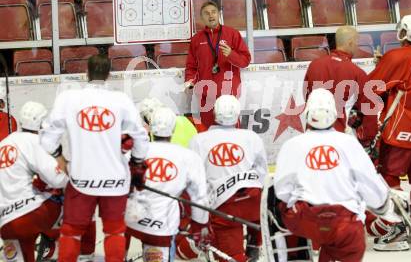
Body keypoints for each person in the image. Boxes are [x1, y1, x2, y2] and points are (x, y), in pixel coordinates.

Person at [40, 54, 149, 262]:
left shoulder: (69, 99)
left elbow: (47, 137)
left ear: (86, 73)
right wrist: (137, 162)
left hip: (81, 178)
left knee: (71, 230)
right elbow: (141, 136)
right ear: (109, 75)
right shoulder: (121, 100)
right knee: (115, 231)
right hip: (115, 179)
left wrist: (59, 157)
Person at [274, 88, 399, 262]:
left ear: (308, 113)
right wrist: (382, 205)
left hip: (305, 219)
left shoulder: (292, 145)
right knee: (344, 241)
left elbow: (281, 191)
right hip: (345, 224)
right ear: (334, 114)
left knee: (281, 210)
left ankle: (293, 252)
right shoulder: (349, 143)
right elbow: (369, 184)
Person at [365, 14, 411, 250]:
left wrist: (381, 66)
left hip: (399, 131)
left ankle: (398, 226)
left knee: (389, 177)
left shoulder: (396, 56)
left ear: (403, 32)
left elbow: (372, 86)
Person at [178, 95, 267, 261]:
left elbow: (192, 181)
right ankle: (255, 242)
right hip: (253, 202)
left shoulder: (198, 140)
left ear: (214, 114)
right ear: (238, 115)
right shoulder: (252, 137)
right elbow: (262, 174)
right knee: (256, 200)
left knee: (230, 256)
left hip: (224, 208)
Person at [125, 107, 210, 262]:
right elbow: (199, 197)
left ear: (150, 127)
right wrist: (199, 225)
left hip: (131, 219)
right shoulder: (188, 157)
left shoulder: (133, 151)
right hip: (160, 224)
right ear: (173, 129)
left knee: (117, 240)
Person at [0, 101, 68, 262]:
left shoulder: (4, 143)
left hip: (5, 223)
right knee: (70, 196)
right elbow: (58, 179)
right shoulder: (35, 141)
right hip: (31, 215)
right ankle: (51, 241)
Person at [303, 26, 378, 146]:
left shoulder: (314, 65)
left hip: (313, 134)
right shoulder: (357, 72)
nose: (357, 46)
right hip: (341, 138)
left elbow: (309, 99)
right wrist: (367, 138)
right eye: (356, 42)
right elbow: (368, 109)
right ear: (350, 42)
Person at [184, 1, 251, 128]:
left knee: (232, 133)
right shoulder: (197, 39)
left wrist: (231, 54)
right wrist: (190, 81)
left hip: (228, 94)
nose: (211, 15)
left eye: (213, 12)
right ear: (202, 18)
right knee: (207, 132)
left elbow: (245, 61)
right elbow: (191, 66)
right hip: (206, 95)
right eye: (206, 13)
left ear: (219, 14)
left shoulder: (232, 34)